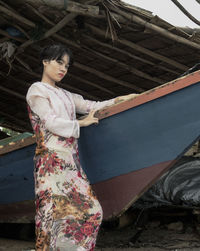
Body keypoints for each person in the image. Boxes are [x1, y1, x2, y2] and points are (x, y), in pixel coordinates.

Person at [26, 43, 138, 251]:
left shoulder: (68, 96)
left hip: (71, 162)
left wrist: (120, 100)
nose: (63, 69)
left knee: (92, 212)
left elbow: (92, 105)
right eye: (59, 62)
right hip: (50, 161)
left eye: (67, 66)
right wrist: (81, 123)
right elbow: (50, 122)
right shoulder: (37, 90)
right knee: (52, 214)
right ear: (45, 62)